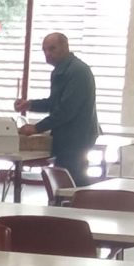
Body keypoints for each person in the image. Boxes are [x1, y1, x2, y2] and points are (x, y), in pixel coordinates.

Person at [16, 32, 100, 188]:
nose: (47, 54)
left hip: (77, 135)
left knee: (72, 179)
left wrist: (37, 127)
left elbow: (67, 109)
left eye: (52, 49)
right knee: (66, 179)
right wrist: (30, 105)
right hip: (67, 135)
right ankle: (69, 201)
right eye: (44, 50)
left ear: (65, 47)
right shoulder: (61, 70)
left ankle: (79, 202)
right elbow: (54, 102)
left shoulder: (77, 71)